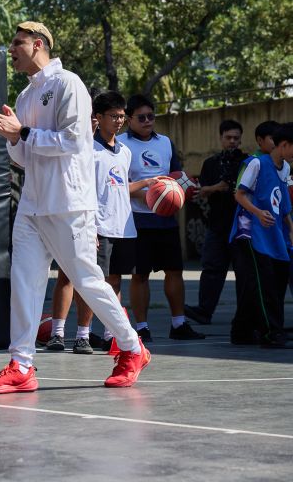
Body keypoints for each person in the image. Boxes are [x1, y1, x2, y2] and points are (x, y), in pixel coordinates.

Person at [0, 22, 148, 393]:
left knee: (87, 280)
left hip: (69, 203)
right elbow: (24, 157)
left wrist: (22, 133)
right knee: (23, 283)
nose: (11, 50)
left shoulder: (69, 84)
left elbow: (72, 141)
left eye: (18, 43)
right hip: (32, 205)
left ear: (38, 44)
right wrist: (12, 138)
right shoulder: (25, 97)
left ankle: (133, 348)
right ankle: (21, 365)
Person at [46, 91, 157, 353]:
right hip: (93, 224)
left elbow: (118, 186)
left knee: (113, 281)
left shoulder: (125, 152)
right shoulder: (86, 149)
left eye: (121, 116)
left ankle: (110, 334)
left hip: (122, 226)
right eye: (113, 116)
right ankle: (68, 334)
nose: (119, 121)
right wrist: (89, 225)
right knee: (74, 278)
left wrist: (146, 184)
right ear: (98, 117)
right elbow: (77, 187)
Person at [117, 94, 205, 342]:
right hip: (137, 219)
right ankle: (142, 327)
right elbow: (118, 184)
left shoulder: (165, 142)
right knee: (140, 275)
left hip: (165, 219)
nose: (147, 121)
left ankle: (179, 324)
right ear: (129, 119)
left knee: (175, 270)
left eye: (151, 116)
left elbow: (177, 176)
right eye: (141, 117)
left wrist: (185, 189)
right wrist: (150, 195)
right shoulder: (121, 145)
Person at [229, 123, 293, 348]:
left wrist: (290, 228)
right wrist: (257, 212)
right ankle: (270, 333)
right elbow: (239, 194)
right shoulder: (256, 163)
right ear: (284, 145)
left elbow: (282, 201)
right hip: (251, 233)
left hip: (273, 233)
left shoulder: (285, 168)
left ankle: (241, 331)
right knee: (264, 284)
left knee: (271, 282)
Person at [185, 120, 247, 325]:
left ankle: (244, 316)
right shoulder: (211, 163)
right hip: (217, 224)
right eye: (228, 138)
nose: (232, 142)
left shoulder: (246, 162)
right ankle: (204, 311)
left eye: (236, 138)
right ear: (221, 138)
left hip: (241, 226)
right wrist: (216, 188)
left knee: (244, 272)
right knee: (212, 268)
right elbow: (201, 191)